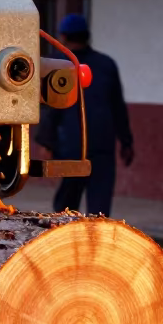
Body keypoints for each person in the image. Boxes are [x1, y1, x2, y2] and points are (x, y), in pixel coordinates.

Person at [33, 14, 134, 216]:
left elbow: (51, 108)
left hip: (72, 147)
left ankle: (66, 241)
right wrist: (126, 141)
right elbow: (117, 107)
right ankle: (95, 243)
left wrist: (46, 142)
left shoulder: (56, 64)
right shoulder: (106, 64)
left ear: (62, 37)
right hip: (102, 146)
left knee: (65, 210)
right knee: (100, 210)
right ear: (87, 36)